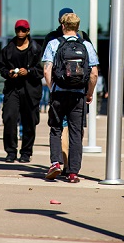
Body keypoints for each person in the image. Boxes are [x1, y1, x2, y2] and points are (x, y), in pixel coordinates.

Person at [42, 13, 99, 183]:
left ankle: (55, 163)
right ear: (78, 27)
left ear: (63, 26)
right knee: (76, 132)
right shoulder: (87, 45)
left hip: (59, 92)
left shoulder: (54, 44)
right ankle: (73, 172)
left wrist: (52, 88)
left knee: (55, 128)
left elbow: (46, 70)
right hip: (78, 95)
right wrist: (89, 93)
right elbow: (94, 74)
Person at [0, 19, 44, 163]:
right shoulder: (8, 49)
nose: (21, 32)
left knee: (29, 121)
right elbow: (1, 67)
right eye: (18, 30)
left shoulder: (36, 49)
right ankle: (11, 152)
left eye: (24, 30)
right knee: (9, 118)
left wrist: (28, 71)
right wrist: (9, 73)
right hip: (12, 89)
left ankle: (26, 153)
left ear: (28, 31)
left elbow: (42, 70)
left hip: (31, 90)